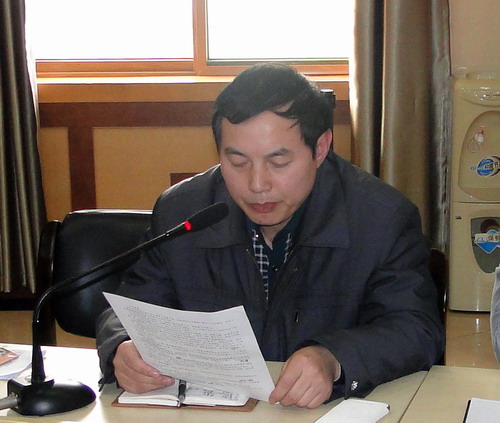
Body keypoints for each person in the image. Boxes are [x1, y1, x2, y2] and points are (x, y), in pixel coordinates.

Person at [96, 63, 444, 409]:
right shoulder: (182, 211)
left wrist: (333, 357)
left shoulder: (381, 218)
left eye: (278, 163)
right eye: (238, 162)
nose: (257, 185)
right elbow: (131, 307)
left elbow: (416, 328)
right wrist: (121, 346)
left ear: (320, 148)